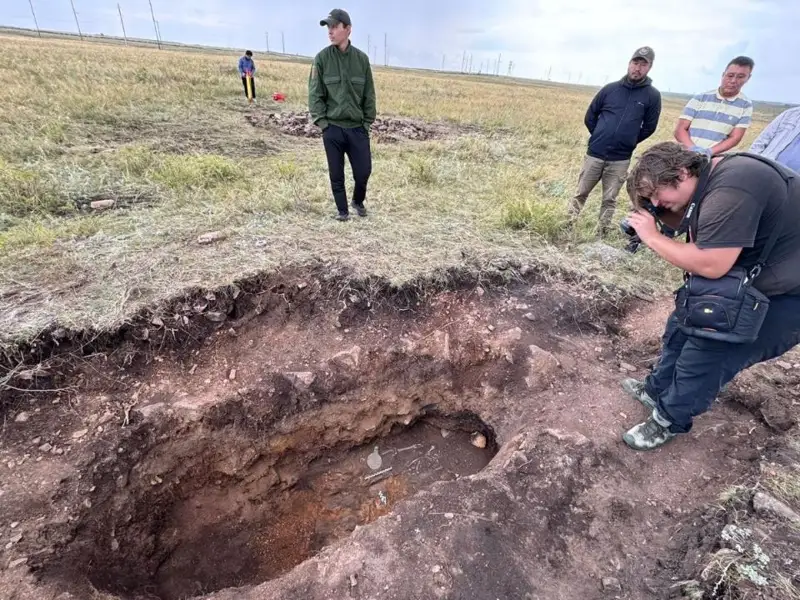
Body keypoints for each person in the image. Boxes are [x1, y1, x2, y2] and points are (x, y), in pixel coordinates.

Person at [620, 142, 800, 450]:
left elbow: (712, 264)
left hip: (784, 294)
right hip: (747, 276)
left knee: (708, 353)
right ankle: (655, 390)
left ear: (682, 173)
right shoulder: (711, 181)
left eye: (657, 195)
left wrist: (652, 236)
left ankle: (667, 420)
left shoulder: (735, 186)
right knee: (680, 326)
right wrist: (659, 215)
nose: (656, 203)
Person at [570, 47, 662, 236]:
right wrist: (599, 136)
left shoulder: (652, 96)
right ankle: (568, 223)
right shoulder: (610, 89)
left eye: (643, 64)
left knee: (610, 198)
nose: (638, 68)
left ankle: (601, 232)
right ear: (629, 63)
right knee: (581, 192)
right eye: (635, 63)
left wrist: (629, 141)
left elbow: (649, 127)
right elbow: (590, 116)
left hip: (620, 159)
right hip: (595, 154)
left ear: (649, 67)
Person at [308, 9, 377, 221]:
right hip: (333, 128)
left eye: (334, 27)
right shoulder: (322, 59)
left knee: (363, 171)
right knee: (336, 174)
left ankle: (357, 201)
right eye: (328, 27)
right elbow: (315, 94)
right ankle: (342, 211)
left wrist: (366, 123)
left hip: (357, 128)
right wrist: (323, 123)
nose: (330, 32)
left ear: (347, 29)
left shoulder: (361, 60)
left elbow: (369, 95)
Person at [674, 57, 754, 156]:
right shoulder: (700, 98)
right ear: (723, 74)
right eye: (730, 75)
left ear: (748, 78)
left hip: (713, 159)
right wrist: (693, 149)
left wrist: (709, 152)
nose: (733, 80)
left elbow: (735, 138)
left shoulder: (745, 106)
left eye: (740, 77)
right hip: (685, 155)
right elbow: (680, 130)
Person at [750, 106, 800, 171]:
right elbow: (760, 142)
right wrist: (752, 165)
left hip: (794, 179)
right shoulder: (790, 114)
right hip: (764, 169)